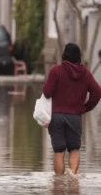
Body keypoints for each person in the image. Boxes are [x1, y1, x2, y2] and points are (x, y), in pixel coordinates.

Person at [43, 43, 101, 175]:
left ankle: (59, 183)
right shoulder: (85, 73)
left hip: (56, 117)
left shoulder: (55, 71)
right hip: (75, 117)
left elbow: (47, 92)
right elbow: (97, 92)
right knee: (74, 149)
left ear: (64, 55)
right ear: (79, 57)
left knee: (59, 151)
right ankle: (73, 180)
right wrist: (86, 107)